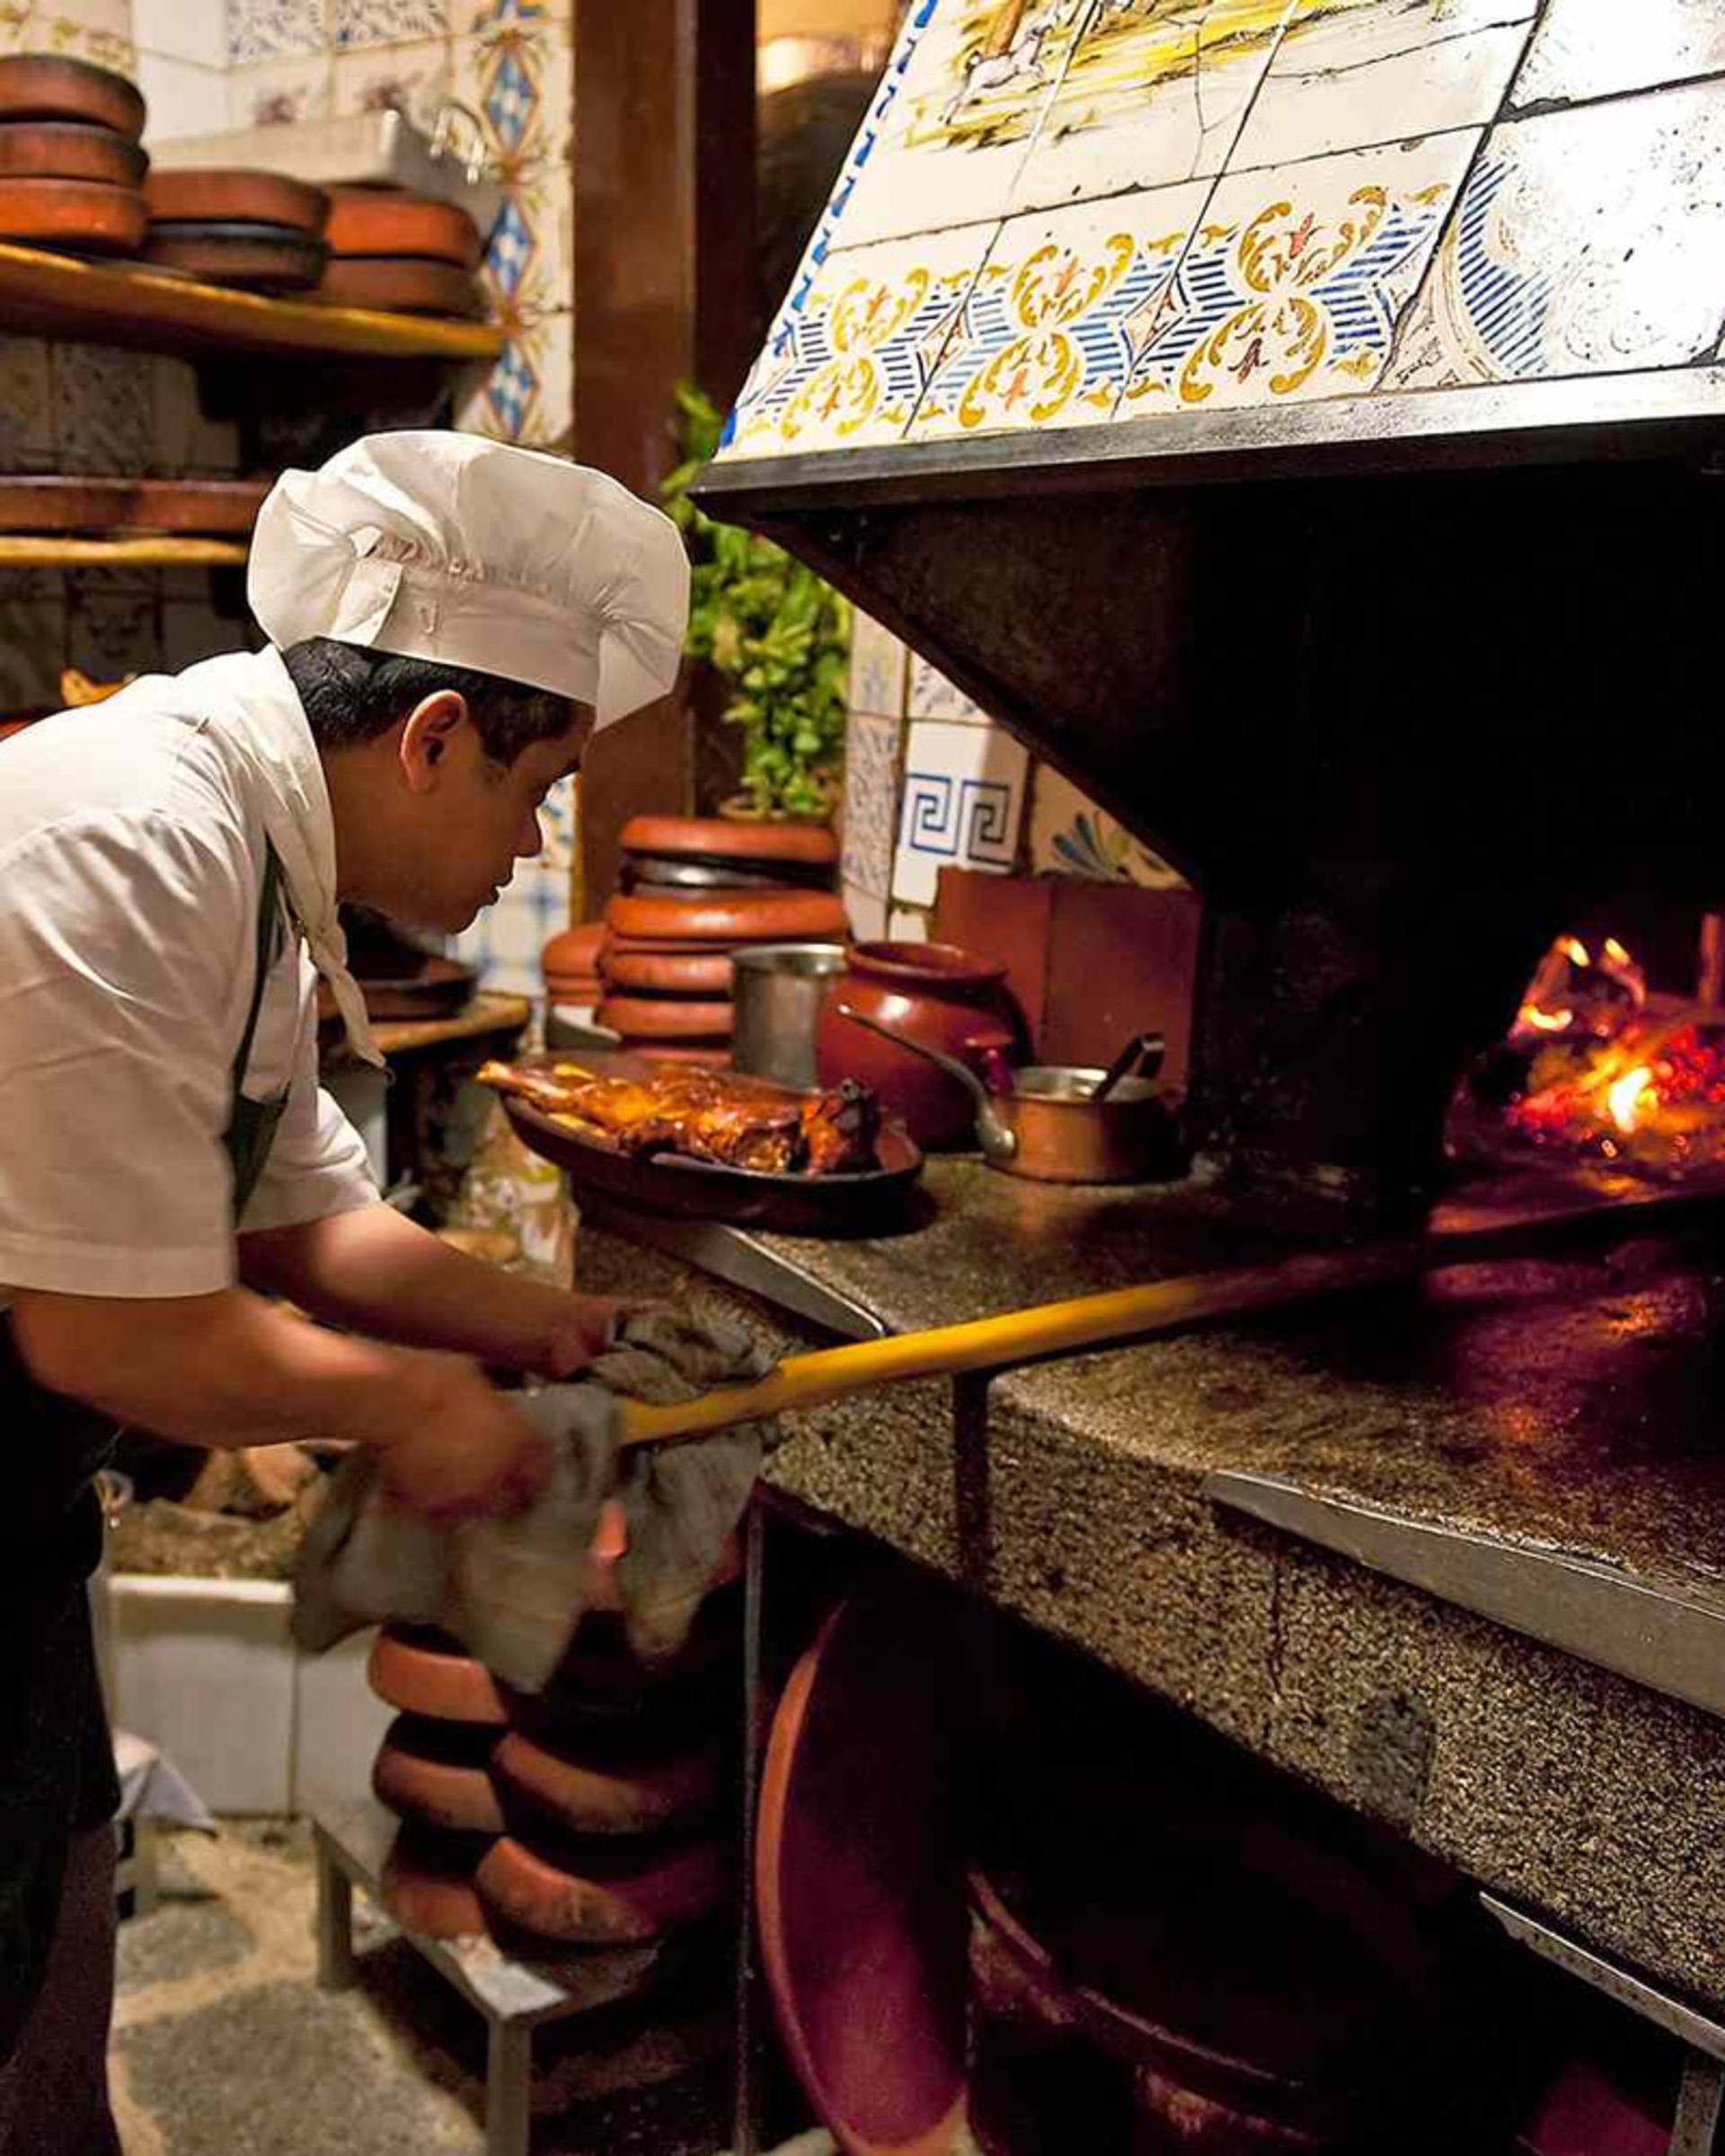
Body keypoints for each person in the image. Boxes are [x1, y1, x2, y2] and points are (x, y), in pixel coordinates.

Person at [0, 430, 690, 2152]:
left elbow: (304, 1220)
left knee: (48, 1964)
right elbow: (104, 1328)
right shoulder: (134, 833)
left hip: (13, 1528)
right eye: (539, 791)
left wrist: (529, 1327)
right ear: (433, 736)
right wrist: (408, 1402)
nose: (535, 848)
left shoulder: (251, 861)